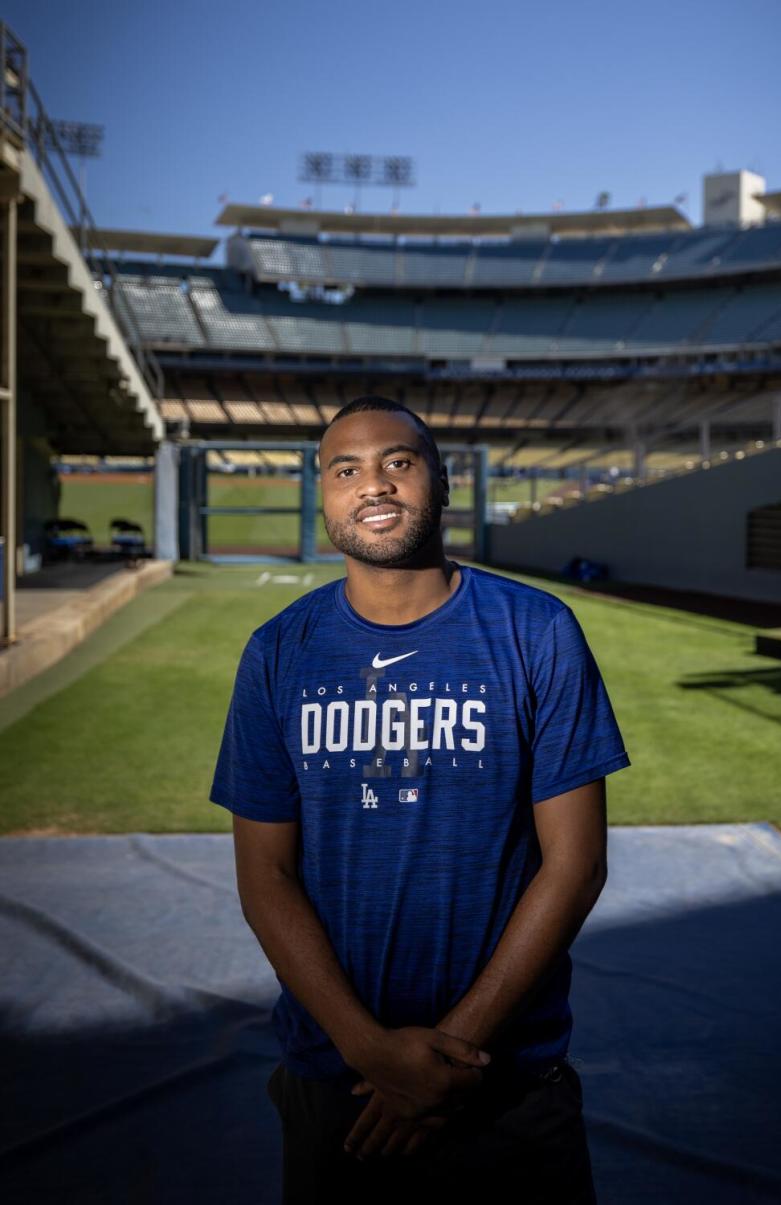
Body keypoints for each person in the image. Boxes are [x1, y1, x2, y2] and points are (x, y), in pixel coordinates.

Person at [209, 395, 632, 1204]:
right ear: (324, 493)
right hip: (340, 1083)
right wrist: (371, 1052)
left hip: (508, 1082)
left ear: (440, 482)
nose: (374, 484)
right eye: (346, 469)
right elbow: (265, 875)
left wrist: (448, 1056)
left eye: (398, 462)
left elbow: (575, 865)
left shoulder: (537, 631)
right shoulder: (277, 652)